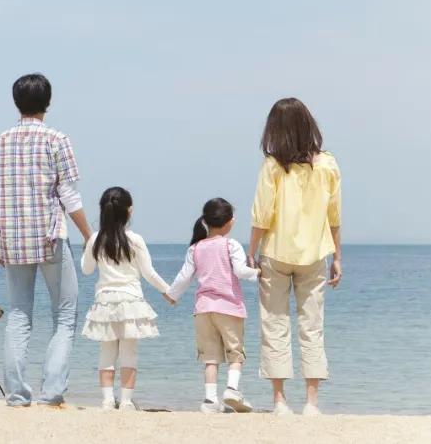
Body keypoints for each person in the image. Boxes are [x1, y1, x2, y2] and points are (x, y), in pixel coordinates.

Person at [0, 73, 93, 407]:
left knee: (18, 314)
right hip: (49, 237)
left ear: (16, 102)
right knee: (64, 314)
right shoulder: (56, 139)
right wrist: (90, 236)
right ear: (48, 101)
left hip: (13, 239)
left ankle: (17, 395)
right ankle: (51, 392)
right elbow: (69, 196)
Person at [248, 97, 343, 416]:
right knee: (312, 325)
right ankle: (312, 403)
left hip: (275, 251)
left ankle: (279, 401)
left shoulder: (273, 165)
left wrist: (251, 252)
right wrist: (338, 256)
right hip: (315, 253)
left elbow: (262, 215)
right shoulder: (327, 163)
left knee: (274, 323)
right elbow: (335, 215)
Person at [79, 187, 171, 411]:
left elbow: (86, 270)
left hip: (105, 302)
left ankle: (107, 400)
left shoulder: (95, 239)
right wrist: (169, 291)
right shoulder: (135, 239)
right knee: (129, 353)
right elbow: (149, 273)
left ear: (103, 210)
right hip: (131, 301)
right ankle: (127, 401)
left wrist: (87, 246)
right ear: (129, 211)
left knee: (107, 353)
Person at [165, 198, 259, 414]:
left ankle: (209, 401)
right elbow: (241, 271)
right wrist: (258, 273)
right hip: (229, 307)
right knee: (235, 353)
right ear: (229, 222)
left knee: (210, 358)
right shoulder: (231, 244)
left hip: (203, 310)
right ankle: (232, 390)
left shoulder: (195, 248)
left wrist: (172, 295)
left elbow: (183, 277)